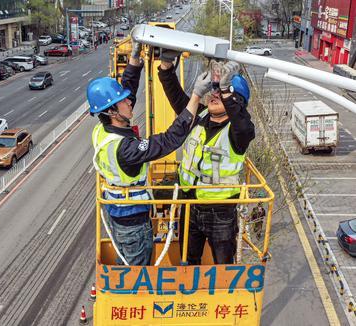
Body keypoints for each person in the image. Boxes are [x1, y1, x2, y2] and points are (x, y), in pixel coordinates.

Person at [88, 40, 207, 266]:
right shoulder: (126, 149)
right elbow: (170, 139)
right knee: (137, 271)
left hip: (119, 214)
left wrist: (134, 59)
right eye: (123, 101)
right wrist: (196, 97)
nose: (130, 102)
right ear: (112, 111)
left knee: (125, 260)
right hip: (132, 221)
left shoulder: (103, 129)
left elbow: (128, 91)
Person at [158, 51, 255, 265]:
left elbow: (244, 125)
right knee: (188, 259)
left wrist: (226, 91)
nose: (213, 95)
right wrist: (166, 67)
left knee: (223, 264)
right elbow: (176, 96)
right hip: (190, 203)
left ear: (235, 102)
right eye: (213, 90)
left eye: (220, 94)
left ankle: (224, 295)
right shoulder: (199, 117)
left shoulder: (237, 133)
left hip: (220, 210)